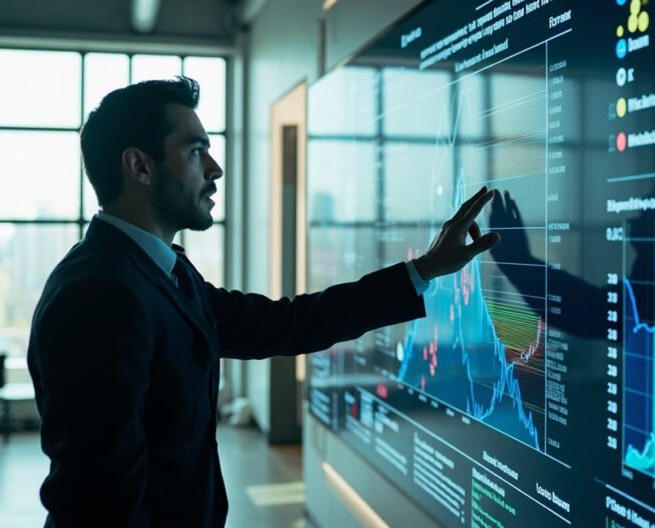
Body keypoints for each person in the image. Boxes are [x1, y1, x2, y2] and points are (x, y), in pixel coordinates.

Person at [26, 77, 500, 528]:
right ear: (140, 166)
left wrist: (423, 270)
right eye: (196, 151)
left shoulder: (161, 271)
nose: (215, 168)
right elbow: (99, 501)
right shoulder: (98, 296)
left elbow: (286, 323)